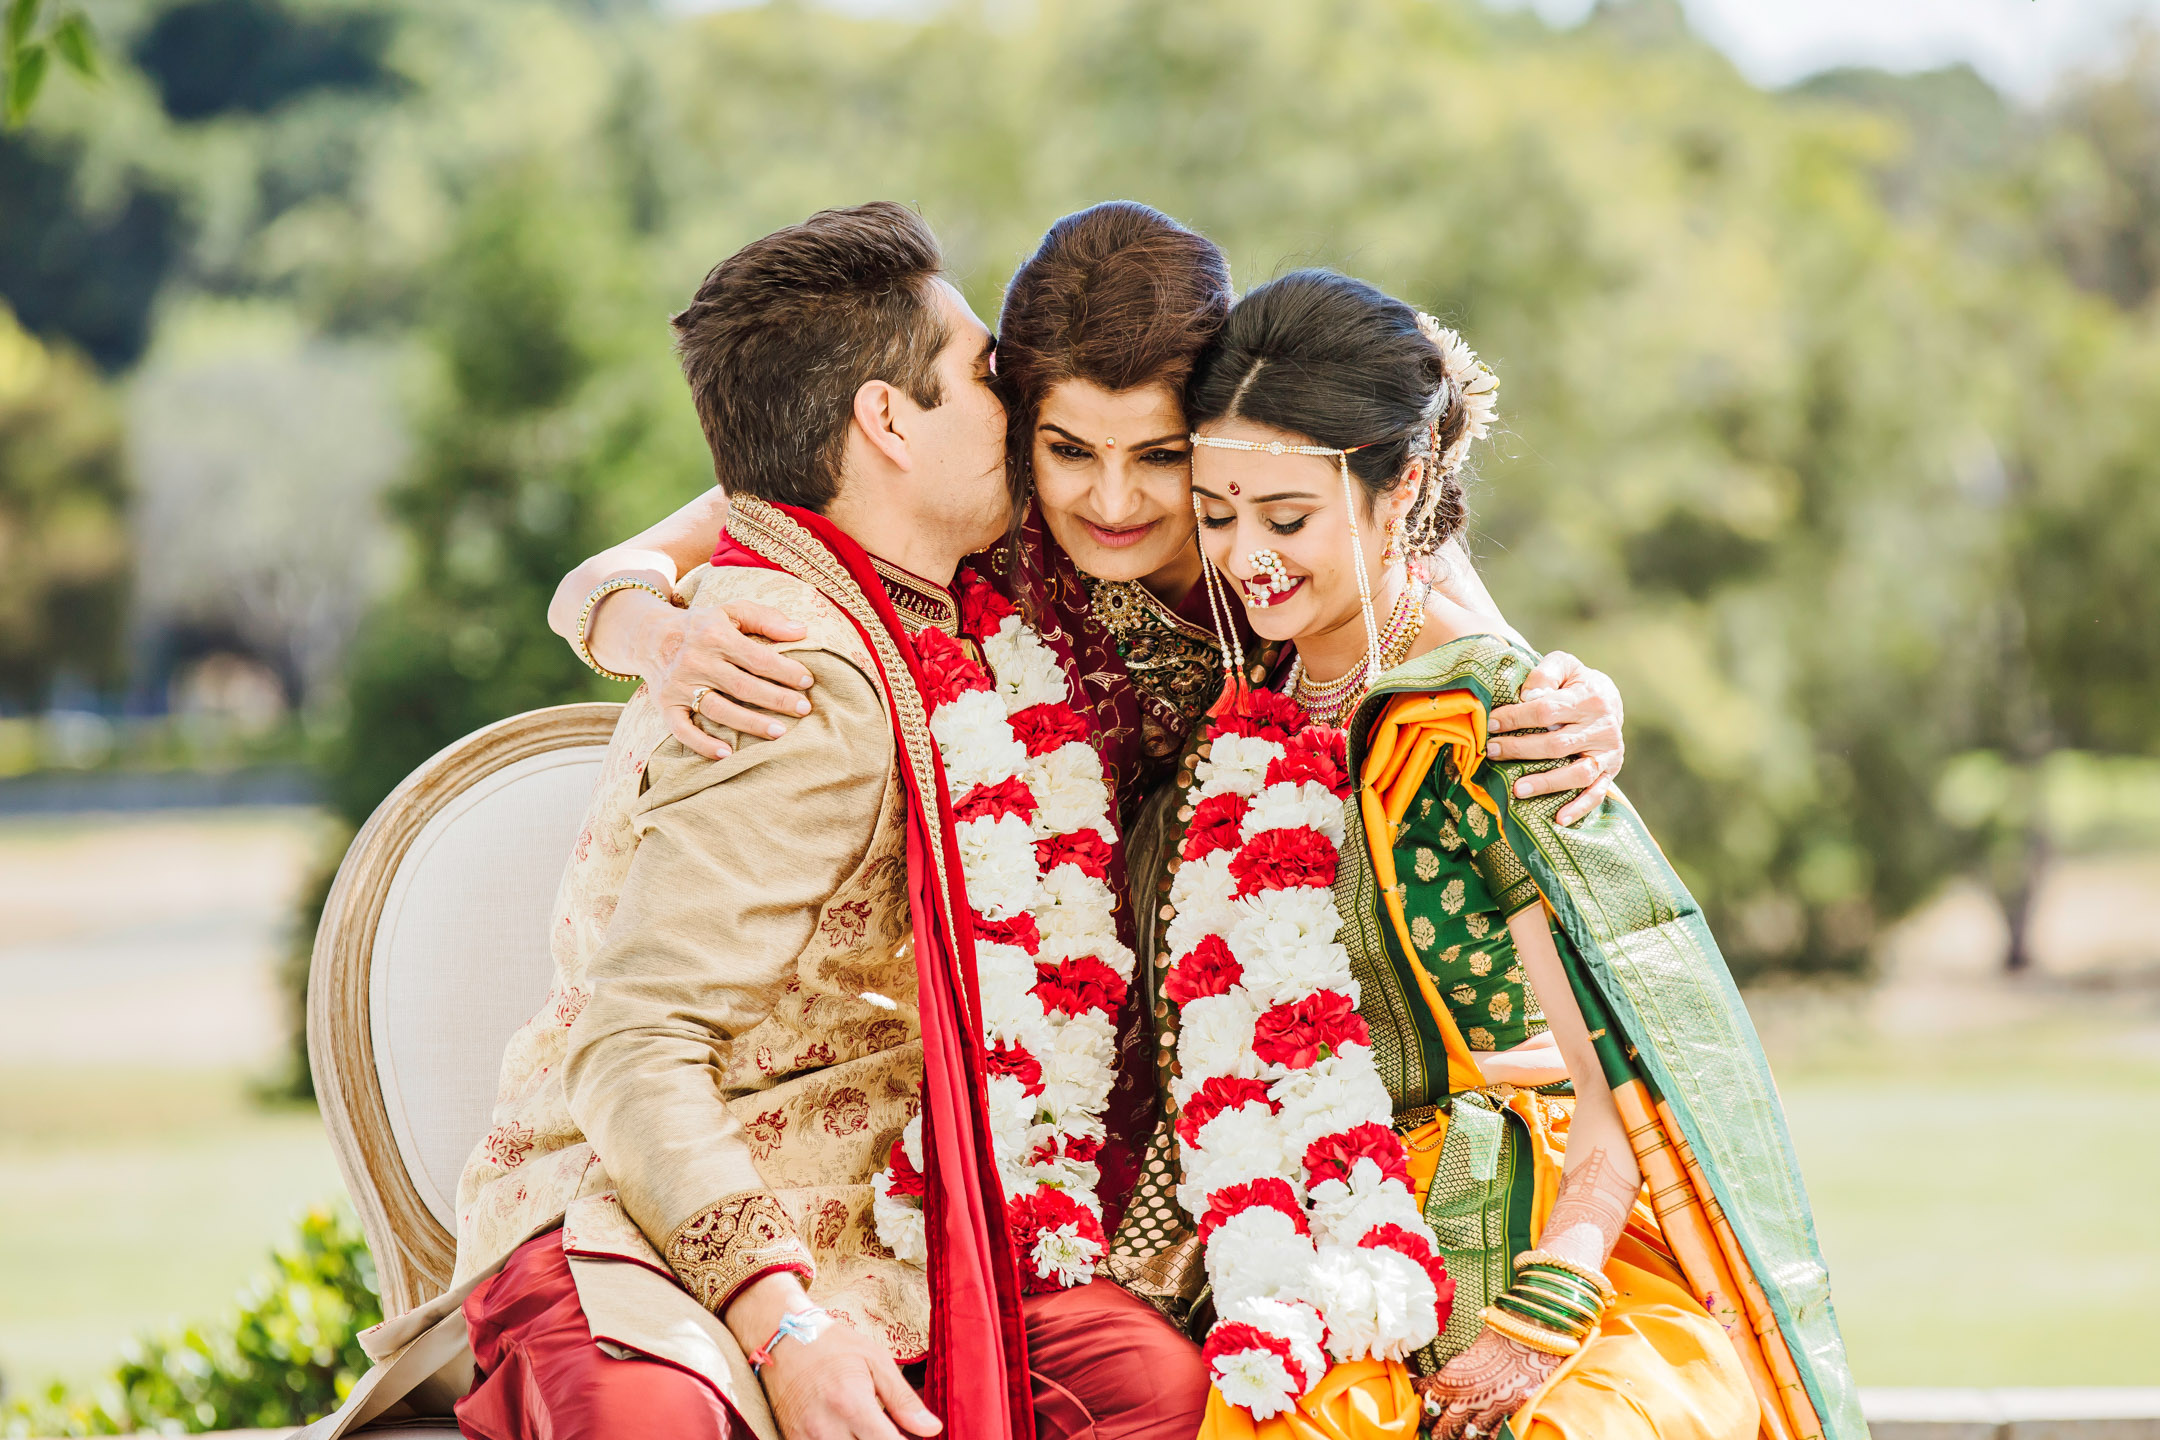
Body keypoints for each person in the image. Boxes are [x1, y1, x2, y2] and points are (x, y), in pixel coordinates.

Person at [547, 201, 1635, 1326]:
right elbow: (658, 546)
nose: (1111, 505)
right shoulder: (978, 499)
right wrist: (639, 627)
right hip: (1029, 1045)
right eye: (1068, 451)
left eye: (1164, 459)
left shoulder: (1297, 520)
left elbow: (1489, 670)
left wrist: (1579, 698)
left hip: (1290, 1028)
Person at [299, 202, 1215, 1440]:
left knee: (1141, 1384)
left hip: (883, 1221)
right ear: (887, 421)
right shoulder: (788, 665)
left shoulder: (943, 581)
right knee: (653, 1426)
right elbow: (636, 1048)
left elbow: (1392, 527)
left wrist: (618, 597)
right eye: (988, 384)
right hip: (641, 1219)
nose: (1021, 423)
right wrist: (783, 1326)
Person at [1139, 268, 1864, 1440]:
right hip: (1320, 1248)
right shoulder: (1259, 685)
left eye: (1286, 520)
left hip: (1546, 1240)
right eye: (1218, 517)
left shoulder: (1498, 713)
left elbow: (1614, 1071)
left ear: (1401, 486)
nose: (1247, 561)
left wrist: (1539, 1317)